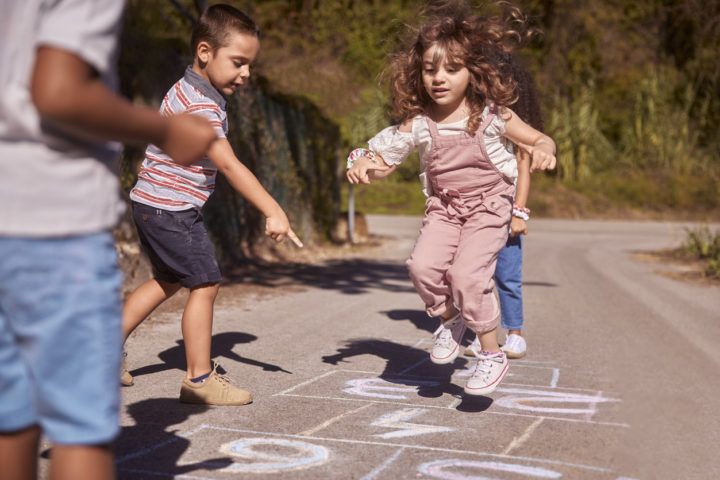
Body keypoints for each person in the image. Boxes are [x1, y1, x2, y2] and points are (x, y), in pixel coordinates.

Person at [0, 0, 217, 479]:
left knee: (12, 419)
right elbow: (57, 91)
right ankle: (199, 374)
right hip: (54, 223)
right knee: (80, 432)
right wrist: (163, 129)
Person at [346, 5, 556, 396]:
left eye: (451, 69)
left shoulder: (494, 116)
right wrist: (361, 165)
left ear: (472, 72)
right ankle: (451, 319)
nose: (438, 78)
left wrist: (545, 151)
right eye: (430, 69)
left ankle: (492, 354)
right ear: (419, 72)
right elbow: (383, 161)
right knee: (421, 267)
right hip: (444, 209)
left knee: (467, 277)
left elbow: (539, 139)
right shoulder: (419, 122)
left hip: (489, 208)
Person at [121, 4, 303, 406]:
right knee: (205, 283)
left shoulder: (187, 89)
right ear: (205, 52)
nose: (246, 74)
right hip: (172, 209)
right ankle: (199, 378)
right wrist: (273, 208)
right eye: (238, 62)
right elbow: (230, 165)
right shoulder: (202, 107)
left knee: (168, 280)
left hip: (150, 203)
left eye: (250, 65)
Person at [464, 54, 546, 359]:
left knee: (507, 277)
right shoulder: (473, 125)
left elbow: (523, 173)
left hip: (507, 213)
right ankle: (484, 333)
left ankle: (515, 334)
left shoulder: (513, 131)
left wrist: (519, 212)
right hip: (478, 212)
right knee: (478, 276)